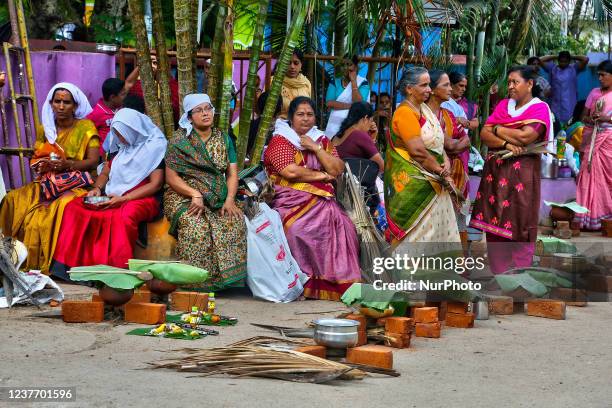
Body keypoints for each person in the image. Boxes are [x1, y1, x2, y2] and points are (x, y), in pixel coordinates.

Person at [264, 96, 361, 300]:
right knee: (298, 229)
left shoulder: (321, 140)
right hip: (288, 198)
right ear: (291, 118)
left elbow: (338, 168)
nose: (306, 119)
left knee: (345, 226)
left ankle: (333, 282)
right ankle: (304, 282)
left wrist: (315, 148)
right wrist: (323, 176)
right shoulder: (281, 139)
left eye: (310, 114)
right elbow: (289, 172)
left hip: (323, 199)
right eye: (300, 114)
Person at [0, 83, 100, 274]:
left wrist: (67, 165)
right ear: (51, 103)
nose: (61, 106)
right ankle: (7, 258)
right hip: (47, 181)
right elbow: (38, 155)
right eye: (57, 101)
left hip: (75, 183)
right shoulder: (44, 127)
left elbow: (93, 161)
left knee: (49, 212)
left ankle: (43, 263)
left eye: (66, 102)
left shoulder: (85, 127)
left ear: (75, 106)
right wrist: (41, 164)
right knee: (12, 200)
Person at [53, 109, 166, 269]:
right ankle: (71, 266)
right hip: (113, 195)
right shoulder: (121, 147)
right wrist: (97, 189)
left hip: (141, 199)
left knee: (123, 216)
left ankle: (115, 269)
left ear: (134, 130)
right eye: (117, 134)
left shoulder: (155, 149)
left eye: (122, 133)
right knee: (75, 206)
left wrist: (125, 199)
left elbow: (155, 184)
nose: (119, 138)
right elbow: (106, 171)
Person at [470, 66, 553, 274]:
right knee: (494, 222)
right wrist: (507, 142)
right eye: (509, 82)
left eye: (515, 82)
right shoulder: (504, 105)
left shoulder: (540, 108)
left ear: (530, 84)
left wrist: (497, 128)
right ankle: (500, 276)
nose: (510, 86)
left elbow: (527, 137)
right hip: (495, 174)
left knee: (520, 222)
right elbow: (484, 134)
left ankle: (519, 279)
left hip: (522, 175)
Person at [164, 94, 247, 291]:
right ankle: (194, 283)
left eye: (208, 108)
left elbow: (232, 174)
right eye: (198, 110)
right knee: (196, 227)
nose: (205, 113)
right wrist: (194, 194)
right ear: (189, 117)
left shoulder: (224, 139)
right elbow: (172, 178)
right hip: (182, 195)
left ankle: (223, 283)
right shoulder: (179, 141)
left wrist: (229, 200)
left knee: (233, 220)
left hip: (218, 196)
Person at [384, 67, 460, 244]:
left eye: (429, 85)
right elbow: (417, 151)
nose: (429, 89)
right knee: (417, 239)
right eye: (424, 85)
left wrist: (445, 161)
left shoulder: (422, 110)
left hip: (432, 180)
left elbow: (437, 143)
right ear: (410, 89)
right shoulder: (405, 112)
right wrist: (443, 174)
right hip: (416, 183)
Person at [426, 70, 471, 237]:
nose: (450, 89)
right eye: (445, 85)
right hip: (433, 174)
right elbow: (454, 143)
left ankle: (458, 262)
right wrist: (453, 145)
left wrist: (452, 146)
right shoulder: (423, 115)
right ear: (432, 89)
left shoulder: (449, 114)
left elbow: (466, 141)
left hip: (456, 176)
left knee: (459, 223)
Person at [574, 60, 612, 230]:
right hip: (593, 138)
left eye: (603, 75)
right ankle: (590, 217)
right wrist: (593, 118)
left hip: (608, 141)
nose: (600, 78)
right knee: (590, 174)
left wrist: (607, 119)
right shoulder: (594, 93)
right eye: (599, 75)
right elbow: (584, 116)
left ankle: (606, 216)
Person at [125, 54, 181, 124]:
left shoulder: (171, 85)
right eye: (148, 63)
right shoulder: (137, 84)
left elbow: (174, 107)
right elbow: (128, 84)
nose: (151, 66)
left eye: (155, 63)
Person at [325, 55, 370, 137]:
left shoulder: (363, 83)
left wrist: (353, 82)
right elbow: (329, 103)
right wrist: (351, 106)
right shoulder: (335, 82)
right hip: (334, 126)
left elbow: (359, 103)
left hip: (354, 126)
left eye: (349, 64)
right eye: (343, 65)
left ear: (356, 67)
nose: (345, 67)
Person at [539, 51, 589, 125]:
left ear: (569, 61)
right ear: (558, 60)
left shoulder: (574, 68)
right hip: (555, 103)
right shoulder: (552, 68)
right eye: (561, 61)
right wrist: (556, 56)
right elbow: (540, 59)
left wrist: (571, 56)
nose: (563, 63)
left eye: (566, 61)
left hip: (570, 103)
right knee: (555, 123)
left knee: (569, 124)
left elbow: (585, 59)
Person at [332, 101, 384, 172]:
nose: (371, 124)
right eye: (371, 120)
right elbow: (381, 166)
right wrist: (371, 139)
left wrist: (372, 138)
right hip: (353, 180)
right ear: (365, 118)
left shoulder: (336, 136)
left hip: (339, 178)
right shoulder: (360, 135)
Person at [87, 78, 127, 157]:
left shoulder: (121, 108)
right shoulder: (96, 114)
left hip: (121, 153)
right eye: (122, 94)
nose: (125, 97)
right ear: (112, 97)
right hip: (105, 157)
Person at [280, 49, 312, 119]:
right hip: (280, 124)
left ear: (301, 65)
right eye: (288, 63)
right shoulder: (274, 81)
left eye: (296, 63)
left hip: (303, 123)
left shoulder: (306, 82)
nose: (292, 66)